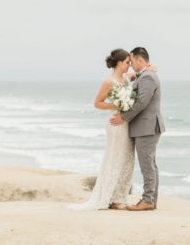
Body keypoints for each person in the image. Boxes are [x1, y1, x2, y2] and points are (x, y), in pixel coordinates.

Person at [68, 49, 137, 211]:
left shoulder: (127, 77)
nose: (129, 65)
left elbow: (138, 74)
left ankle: (120, 196)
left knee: (127, 159)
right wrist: (116, 105)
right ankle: (109, 197)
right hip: (115, 124)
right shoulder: (109, 82)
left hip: (126, 124)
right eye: (127, 62)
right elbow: (97, 103)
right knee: (115, 158)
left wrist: (149, 67)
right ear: (119, 63)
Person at [110, 46, 165, 211]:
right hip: (145, 127)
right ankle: (151, 199)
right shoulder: (145, 75)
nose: (131, 64)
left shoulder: (148, 78)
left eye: (132, 61)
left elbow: (141, 103)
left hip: (146, 128)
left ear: (140, 60)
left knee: (147, 165)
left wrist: (123, 117)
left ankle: (148, 200)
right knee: (150, 165)